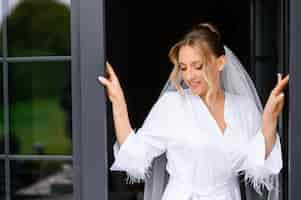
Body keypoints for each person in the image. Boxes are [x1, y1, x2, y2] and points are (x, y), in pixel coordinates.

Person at [98, 22, 289, 200]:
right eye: (183, 68)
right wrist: (118, 102)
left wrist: (270, 117)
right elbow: (135, 156)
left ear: (220, 63)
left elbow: (259, 164)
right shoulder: (172, 105)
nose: (189, 76)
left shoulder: (243, 108)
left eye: (198, 66)